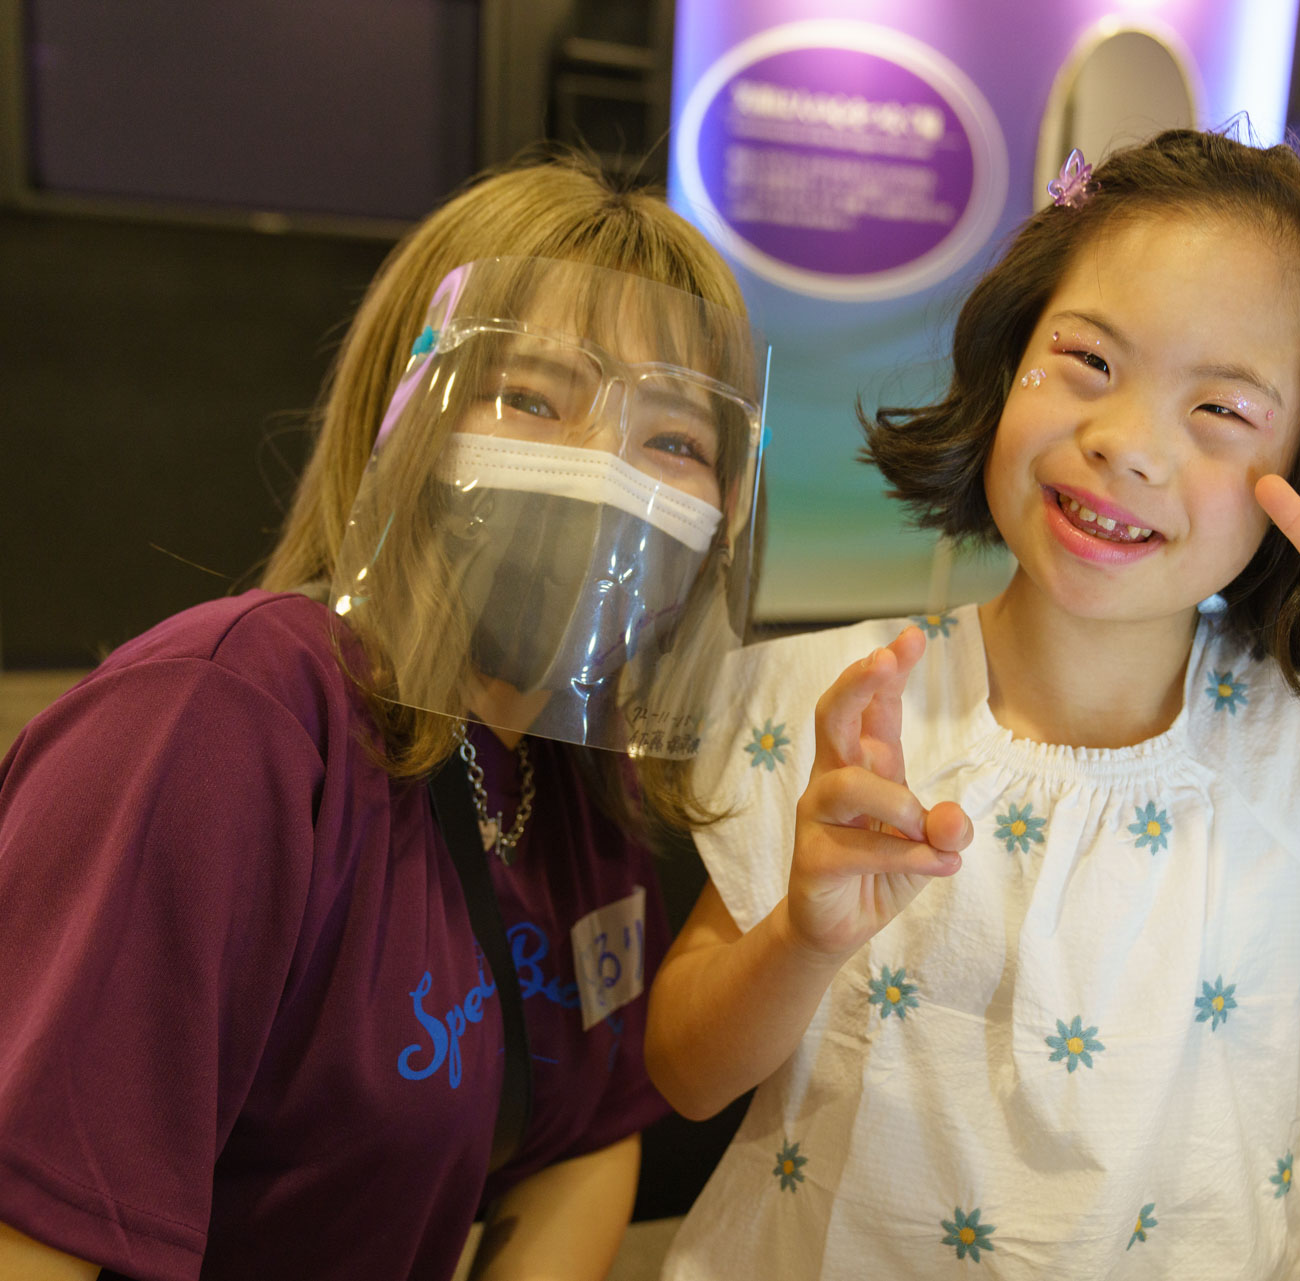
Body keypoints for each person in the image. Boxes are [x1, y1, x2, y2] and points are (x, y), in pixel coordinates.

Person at [643, 130, 1300, 1279]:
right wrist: (801, 940)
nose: (1126, 443)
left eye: (1222, 409)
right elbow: (685, 1074)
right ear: (1008, 359)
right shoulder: (833, 701)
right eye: (1088, 359)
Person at [0, 156, 767, 1281]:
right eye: (532, 398)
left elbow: (582, 1141)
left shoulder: (574, 783)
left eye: (674, 441)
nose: (601, 469)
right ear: (405, 415)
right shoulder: (226, 718)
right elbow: (33, 1221)